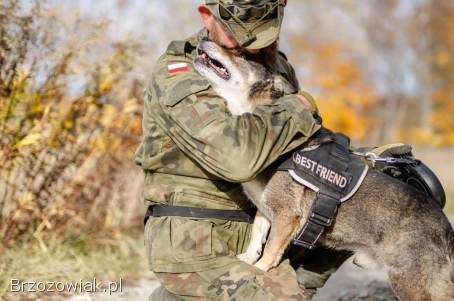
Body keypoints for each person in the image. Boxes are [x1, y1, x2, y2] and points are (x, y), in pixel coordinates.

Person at [135, 1, 412, 300]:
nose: (250, 43)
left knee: (401, 180)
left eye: (263, 33)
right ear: (207, 16)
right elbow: (238, 159)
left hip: (270, 219)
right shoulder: (183, 71)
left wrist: (362, 166)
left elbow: (295, 151)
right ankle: (192, 293)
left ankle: (292, 283)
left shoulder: (275, 62)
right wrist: (298, 106)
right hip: (203, 239)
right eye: (236, 32)